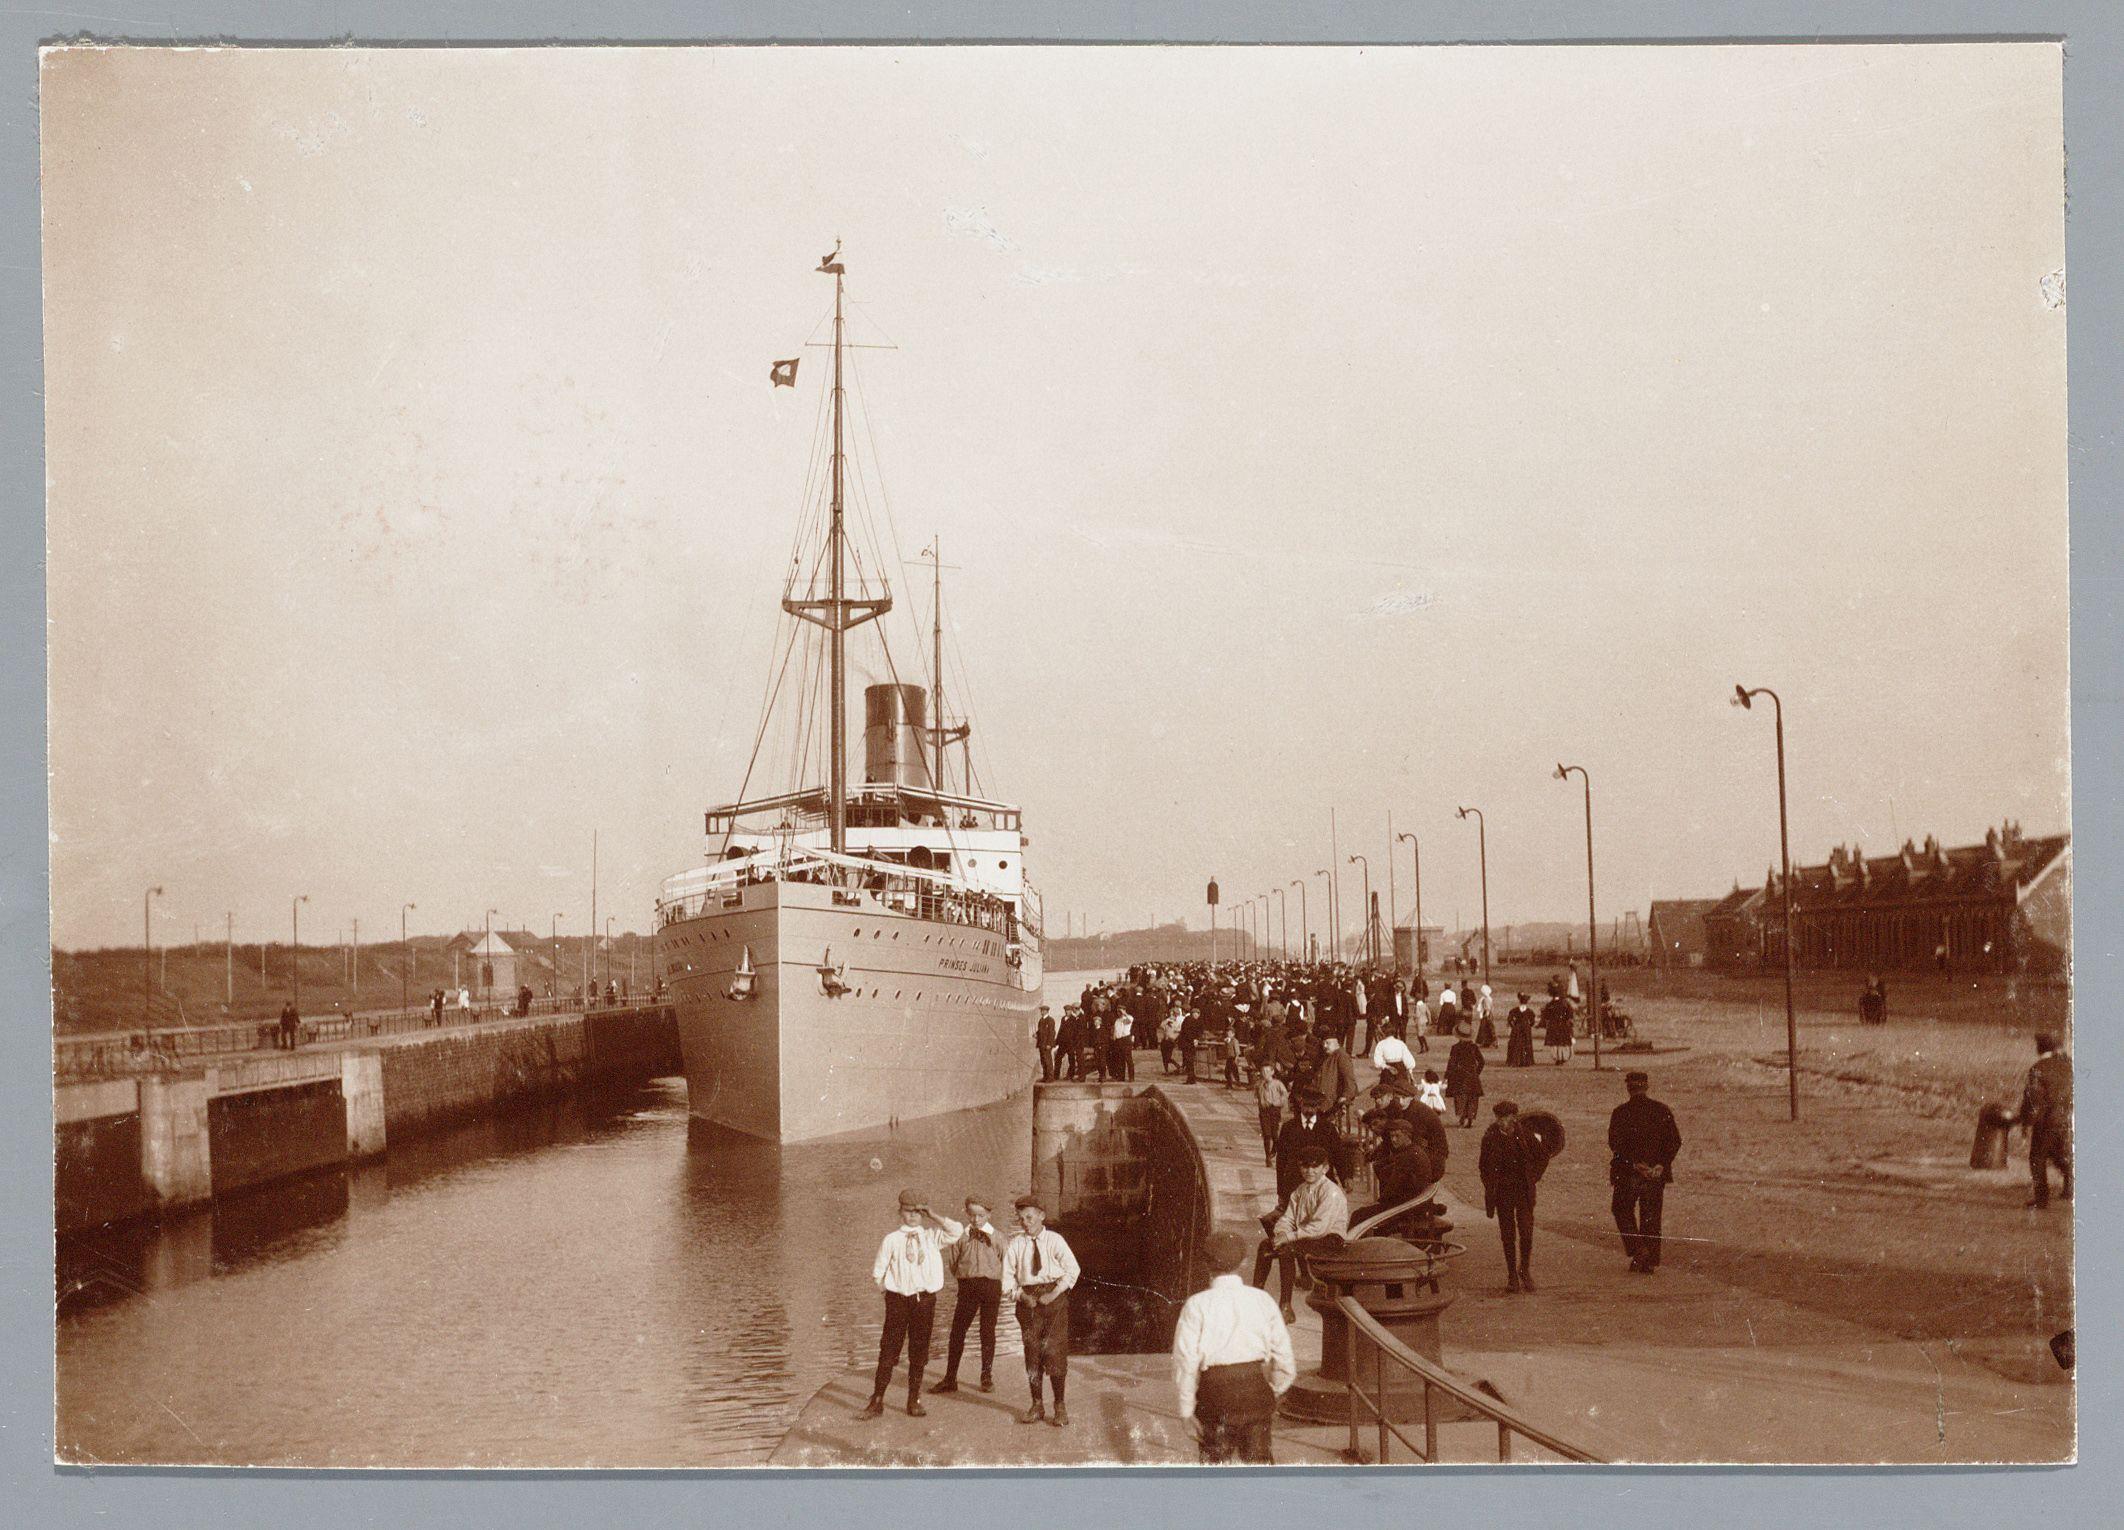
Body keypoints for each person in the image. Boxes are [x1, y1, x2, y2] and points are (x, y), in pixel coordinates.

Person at [1173, 1228, 1296, 1464]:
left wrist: (1186, 1410)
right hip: (1255, 1392)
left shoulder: (1196, 1305)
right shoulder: (1262, 1300)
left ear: (1206, 1265)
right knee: (1259, 1467)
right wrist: (1274, 1390)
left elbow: (1185, 1361)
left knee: (1216, 1468)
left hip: (1215, 1396)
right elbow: (1284, 1357)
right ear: (1244, 1262)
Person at [858, 1190, 966, 1419]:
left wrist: (933, 1214)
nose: (913, 1216)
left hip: (924, 1300)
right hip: (897, 1301)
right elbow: (878, 1271)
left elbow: (956, 1231)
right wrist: (888, 1292)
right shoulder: (892, 1239)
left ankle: (913, 1399)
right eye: (909, 1211)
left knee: (919, 1350)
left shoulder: (932, 1237)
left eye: (918, 1212)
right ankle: (877, 1400)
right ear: (900, 1212)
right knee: (889, 1349)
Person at [1003, 1194, 1079, 1426]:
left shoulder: (1055, 1241)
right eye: (1021, 1219)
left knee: (1054, 1352)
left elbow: (1072, 1269)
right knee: (1032, 1353)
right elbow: (1006, 1280)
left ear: (1041, 1216)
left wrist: (1055, 1293)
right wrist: (1021, 1296)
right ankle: (1037, 1404)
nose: (1026, 1223)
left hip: (1054, 1301)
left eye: (1030, 1217)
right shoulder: (1016, 1244)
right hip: (1028, 1304)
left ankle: (1060, 1405)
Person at [1251, 1146, 1349, 1322]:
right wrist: (1280, 1232)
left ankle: (1286, 1306)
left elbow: (1320, 1227)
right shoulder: (1300, 1190)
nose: (1309, 1171)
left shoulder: (1331, 1192)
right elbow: (1288, 1217)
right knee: (1266, 1245)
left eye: (1314, 1167)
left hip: (1330, 1239)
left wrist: (1289, 1237)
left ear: (1325, 1168)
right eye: (1305, 1167)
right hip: (1306, 1236)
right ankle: (1254, 1297)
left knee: (1286, 1249)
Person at [1608, 1070, 1683, 1272]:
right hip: (1655, 1174)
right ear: (1646, 1087)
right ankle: (1648, 1261)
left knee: (1621, 1209)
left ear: (1628, 1088)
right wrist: (1661, 1164)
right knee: (1651, 1215)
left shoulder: (1620, 1112)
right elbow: (1674, 1141)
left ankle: (1638, 1249)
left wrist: (1634, 1164)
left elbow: (1614, 1144)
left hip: (1629, 1172)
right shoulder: (1662, 1110)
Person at [930, 1197, 1005, 1395]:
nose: (976, 1219)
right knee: (957, 1331)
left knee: (987, 1331)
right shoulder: (961, 1237)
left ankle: (986, 1376)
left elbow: (1007, 1261)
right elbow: (953, 1264)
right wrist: (966, 1277)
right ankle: (950, 1377)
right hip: (968, 1287)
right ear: (966, 1213)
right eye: (972, 1215)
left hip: (991, 1287)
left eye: (981, 1215)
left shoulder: (998, 1237)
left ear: (989, 1215)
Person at [1479, 1101, 1541, 1293]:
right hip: (1502, 1192)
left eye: (1505, 1118)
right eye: (1499, 1118)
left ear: (1514, 1117)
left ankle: (1524, 1269)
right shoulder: (1490, 1137)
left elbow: (1542, 1156)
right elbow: (1483, 1166)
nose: (1501, 1122)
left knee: (1526, 1231)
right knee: (1507, 1234)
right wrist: (1491, 1185)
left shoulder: (1525, 1135)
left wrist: (1533, 1177)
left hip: (1523, 1190)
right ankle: (1511, 1274)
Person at [2019, 1034, 2073, 1210]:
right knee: (2059, 1154)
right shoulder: (2067, 1066)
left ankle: (2041, 1199)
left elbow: (2033, 1099)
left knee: (2037, 1157)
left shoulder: (2038, 1068)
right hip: (2066, 1119)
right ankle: (2070, 1187)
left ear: (2040, 1048)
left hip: (2046, 1121)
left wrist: (2026, 1122)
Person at [1311, 1034, 1357, 1125]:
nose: (1324, 1046)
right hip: (1321, 1103)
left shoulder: (1341, 1056)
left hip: (1331, 1104)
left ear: (1336, 1043)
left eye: (1328, 1043)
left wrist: (1345, 1096)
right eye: (1323, 1043)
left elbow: (1349, 1079)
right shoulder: (1326, 1056)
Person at [1445, 1029, 1485, 1128]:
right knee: (1472, 1098)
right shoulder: (1474, 1047)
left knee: (1460, 1098)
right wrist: (1476, 1073)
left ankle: (1462, 1117)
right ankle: (1470, 1119)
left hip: (1459, 1077)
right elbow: (1482, 1061)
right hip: (1472, 1077)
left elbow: (1451, 1064)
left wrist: (1448, 1075)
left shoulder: (1455, 1048)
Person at [1253, 1063, 1289, 1167]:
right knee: (1266, 1134)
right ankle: (1267, 1157)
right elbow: (1256, 1092)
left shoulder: (1278, 1084)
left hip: (1274, 1110)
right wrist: (1256, 1098)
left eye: (1268, 1071)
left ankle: (1275, 1149)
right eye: (1263, 1072)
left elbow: (1285, 1094)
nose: (1265, 1074)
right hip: (1264, 1111)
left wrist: (1278, 1102)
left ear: (1272, 1072)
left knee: (1275, 1134)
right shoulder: (1259, 1084)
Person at [1542, 985, 1575, 1065]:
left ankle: (1558, 1058)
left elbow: (1546, 1016)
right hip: (1564, 1026)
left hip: (1553, 1026)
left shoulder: (1550, 1005)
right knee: (1563, 1042)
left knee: (1555, 1043)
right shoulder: (1565, 1004)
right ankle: (1564, 1057)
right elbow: (1570, 1015)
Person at [1505, 992, 1537, 1068]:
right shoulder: (1530, 1011)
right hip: (1526, 1029)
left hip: (1517, 1029)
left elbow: (1509, 1020)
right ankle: (1526, 1061)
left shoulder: (1514, 1010)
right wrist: (1528, 1026)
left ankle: (1515, 1060)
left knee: (1516, 1044)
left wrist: (1513, 1026)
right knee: (1526, 1044)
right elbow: (1532, 1022)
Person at [1108, 1004, 1135, 1080]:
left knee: (1128, 1059)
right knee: (1120, 1059)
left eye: (1120, 1011)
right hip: (1118, 1040)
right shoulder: (1117, 1020)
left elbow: (1129, 1021)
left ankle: (1131, 1077)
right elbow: (1115, 1031)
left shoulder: (1128, 1017)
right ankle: (1121, 1076)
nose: (1119, 1013)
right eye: (1118, 1011)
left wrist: (1124, 1013)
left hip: (1126, 1039)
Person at [1036, 1006, 1058, 1081]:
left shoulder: (1050, 1020)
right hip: (1041, 1044)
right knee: (1043, 1061)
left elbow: (1052, 1033)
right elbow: (1040, 1031)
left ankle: (1050, 1077)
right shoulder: (1041, 1020)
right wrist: (1036, 1034)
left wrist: (1049, 1044)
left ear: (1046, 1011)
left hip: (1047, 1045)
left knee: (1048, 1061)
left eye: (1043, 1010)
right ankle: (1045, 1077)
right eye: (1041, 1010)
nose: (1041, 1012)